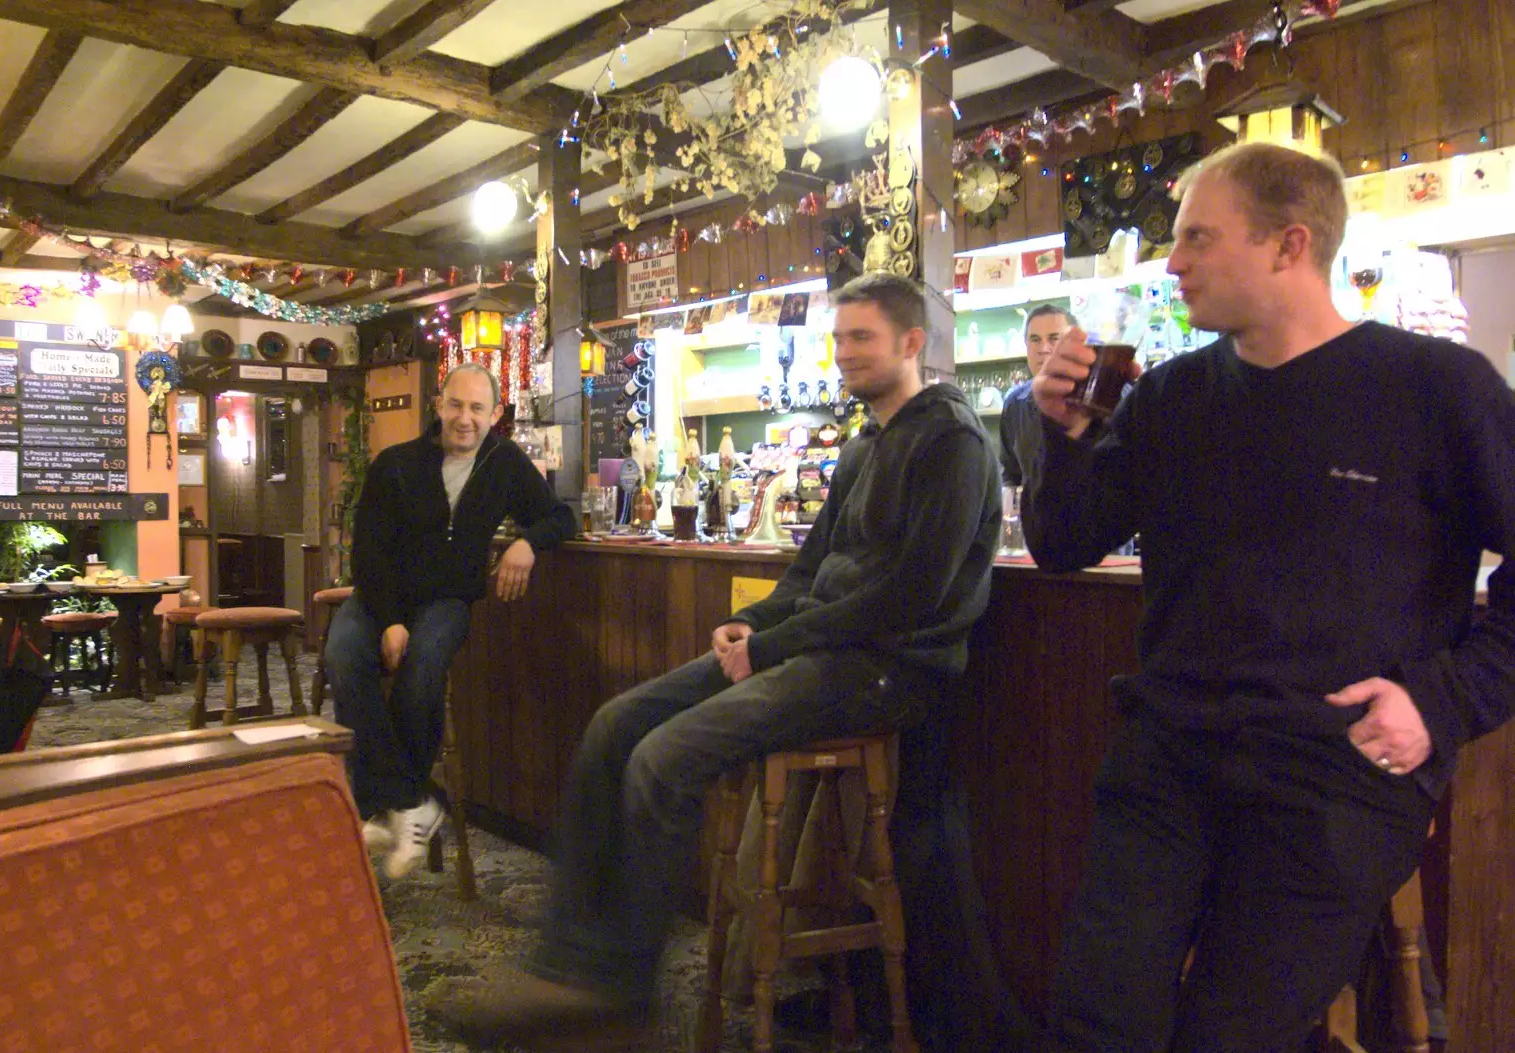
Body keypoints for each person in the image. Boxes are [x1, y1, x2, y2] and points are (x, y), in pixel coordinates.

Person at [1026, 141, 1515, 1052]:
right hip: (1169, 752)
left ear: (1290, 246)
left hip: (1334, 766)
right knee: (1098, 1023)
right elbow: (1062, 542)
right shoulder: (1170, 398)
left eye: (1197, 238)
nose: (1173, 263)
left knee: (1230, 1037)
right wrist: (1061, 438)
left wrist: (1444, 700)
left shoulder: (1437, 389)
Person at [439, 273, 1002, 1049]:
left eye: (861, 338)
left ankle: (619, 999)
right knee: (613, 727)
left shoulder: (953, 442)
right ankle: (567, 971)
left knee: (663, 760)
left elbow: (911, 596)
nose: (843, 354)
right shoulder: (864, 443)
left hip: (891, 669)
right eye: (838, 338)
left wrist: (771, 645)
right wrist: (748, 622)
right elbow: (809, 572)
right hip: (820, 648)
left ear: (913, 343)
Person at [328, 362, 575, 879]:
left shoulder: (504, 462)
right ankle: (407, 801)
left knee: (423, 670)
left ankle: (382, 804)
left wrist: (528, 543)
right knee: (344, 656)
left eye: (477, 408)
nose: (465, 419)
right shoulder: (395, 464)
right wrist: (391, 620)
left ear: (496, 415)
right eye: (456, 405)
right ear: (438, 406)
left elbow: (559, 516)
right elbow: (368, 553)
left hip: (446, 601)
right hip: (381, 594)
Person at [998, 303, 1076, 489]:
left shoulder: (1098, 400)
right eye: (1035, 339)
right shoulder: (1015, 404)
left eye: (1054, 338)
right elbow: (1011, 473)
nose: (1043, 348)